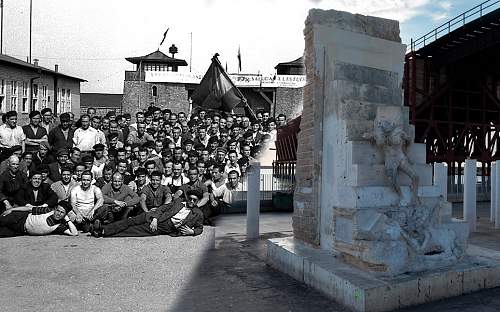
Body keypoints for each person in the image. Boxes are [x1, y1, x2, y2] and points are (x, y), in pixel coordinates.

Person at [91, 190, 203, 238]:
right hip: (154, 216)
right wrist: (154, 218)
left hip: (165, 226)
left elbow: (200, 228)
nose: (192, 202)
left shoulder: (198, 213)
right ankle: (102, 229)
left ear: (198, 201)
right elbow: (163, 208)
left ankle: (103, 232)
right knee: (130, 221)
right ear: (188, 198)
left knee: (134, 231)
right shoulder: (179, 202)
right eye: (191, 199)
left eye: (195, 200)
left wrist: (192, 232)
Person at [0, 200, 77, 237]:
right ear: (55, 209)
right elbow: (29, 209)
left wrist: (67, 220)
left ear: (65, 215)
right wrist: (12, 209)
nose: (58, 214)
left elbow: (74, 233)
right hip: (21, 217)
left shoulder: (59, 226)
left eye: (62, 212)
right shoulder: (47, 210)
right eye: (58, 210)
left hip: (21, 230)